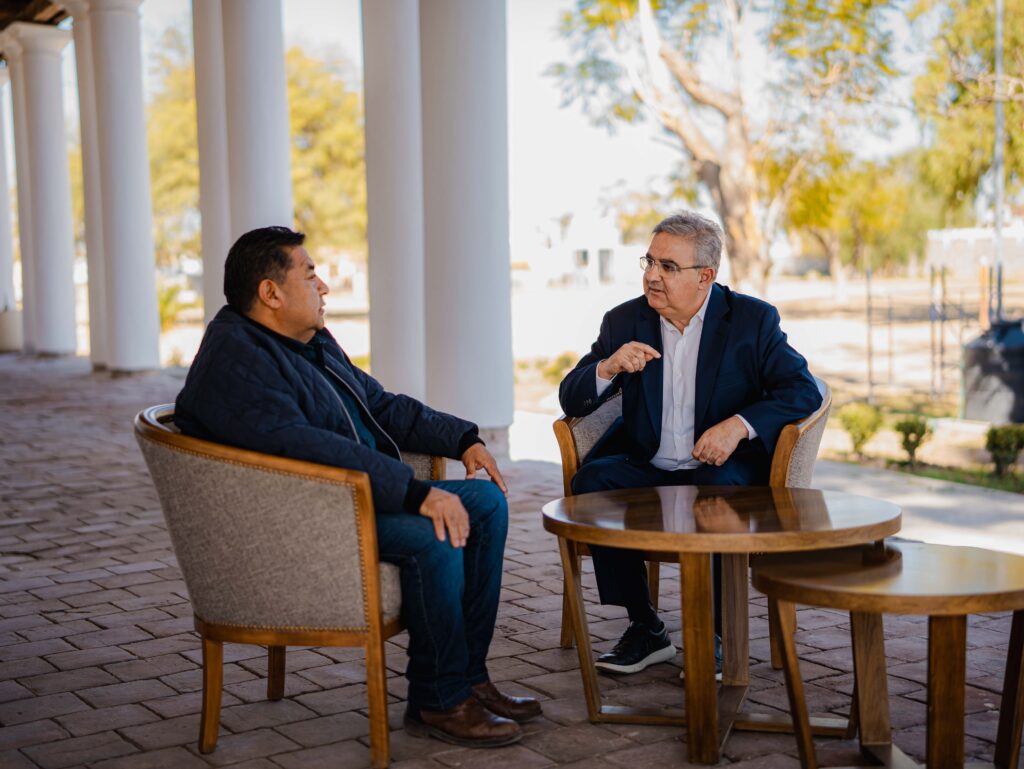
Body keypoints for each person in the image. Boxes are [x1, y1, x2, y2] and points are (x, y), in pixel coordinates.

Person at [175, 226, 541, 747]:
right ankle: (438, 700)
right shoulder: (237, 362)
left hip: (348, 500)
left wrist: (461, 438)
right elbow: (305, 447)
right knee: (434, 534)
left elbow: (380, 405)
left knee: (485, 503)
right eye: (310, 275)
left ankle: (468, 678)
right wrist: (415, 493)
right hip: (300, 520)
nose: (324, 286)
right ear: (270, 293)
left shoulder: (310, 342)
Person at [558, 211, 822, 676]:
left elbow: (803, 391)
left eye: (668, 266)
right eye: (649, 261)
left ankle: (716, 634)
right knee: (591, 485)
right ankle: (645, 626)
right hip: (649, 461)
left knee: (717, 494)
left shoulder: (751, 321)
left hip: (719, 468)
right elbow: (570, 396)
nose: (652, 276)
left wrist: (738, 426)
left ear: (706, 276)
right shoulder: (624, 321)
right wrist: (607, 368)